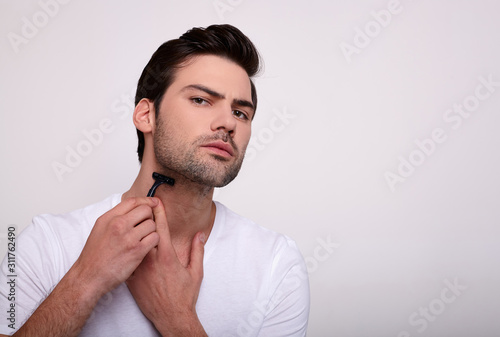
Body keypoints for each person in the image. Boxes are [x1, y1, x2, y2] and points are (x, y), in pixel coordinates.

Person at [0, 24, 309, 336]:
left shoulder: (277, 265)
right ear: (146, 115)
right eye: (201, 100)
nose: (228, 122)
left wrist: (177, 319)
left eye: (241, 113)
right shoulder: (44, 244)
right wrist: (86, 279)